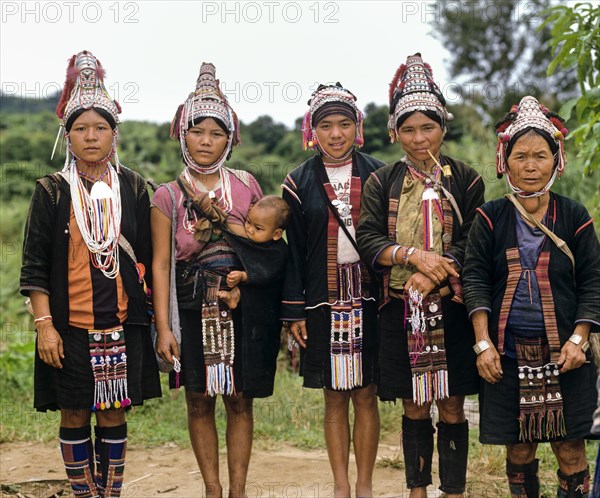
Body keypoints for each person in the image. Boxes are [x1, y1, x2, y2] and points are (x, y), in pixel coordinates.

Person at [19, 50, 161, 498]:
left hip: (121, 323)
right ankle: (84, 493)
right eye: (81, 128)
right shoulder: (51, 191)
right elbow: (35, 266)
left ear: (114, 135)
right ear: (69, 136)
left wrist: (162, 327)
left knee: (114, 412)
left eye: (101, 127)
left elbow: (154, 259)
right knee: (75, 411)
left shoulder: (136, 187)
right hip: (69, 326)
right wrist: (45, 326)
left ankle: (111, 492)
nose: (91, 135)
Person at [151, 63, 285, 498]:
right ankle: (212, 489)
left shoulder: (246, 185)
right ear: (181, 134)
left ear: (230, 138)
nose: (206, 141)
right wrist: (165, 328)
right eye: (197, 131)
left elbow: (266, 244)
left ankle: (238, 491)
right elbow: (160, 265)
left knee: (240, 398)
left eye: (216, 133)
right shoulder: (167, 196)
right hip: (191, 307)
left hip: (241, 306)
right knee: (199, 399)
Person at [356, 53, 484, 498]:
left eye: (427, 128)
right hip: (399, 307)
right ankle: (416, 488)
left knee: (450, 402)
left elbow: (473, 240)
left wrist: (435, 272)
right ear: (394, 133)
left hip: (450, 305)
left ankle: (453, 490)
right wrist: (411, 255)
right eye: (407, 129)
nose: (418, 138)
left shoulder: (466, 179)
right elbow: (367, 238)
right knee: (413, 402)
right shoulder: (382, 182)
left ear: (443, 129)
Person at [462, 95, 599, 498]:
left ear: (557, 160)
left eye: (541, 155)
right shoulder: (490, 217)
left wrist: (578, 340)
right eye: (520, 155)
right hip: (505, 354)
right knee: (518, 447)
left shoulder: (574, 216)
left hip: (566, 355)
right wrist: (483, 344)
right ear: (505, 162)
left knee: (570, 446)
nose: (530, 165)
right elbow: (475, 280)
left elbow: (593, 280)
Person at [282, 83, 384, 498]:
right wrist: (295, 312)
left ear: (357, 128)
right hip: (322, 298)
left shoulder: (379, 173)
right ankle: (340, 486)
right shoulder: (297, 182)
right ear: (313, 131)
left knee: (366, 393)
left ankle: (364, 485)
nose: (336, 134)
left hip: (371, 297)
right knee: (334, 396)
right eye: (326, 125)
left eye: (344, 124)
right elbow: (290, 252)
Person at [218, 195, 289, 309]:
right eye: (248, 222)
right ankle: (234, 295)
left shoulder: (278, 251)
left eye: (258, 228)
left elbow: (268, 272)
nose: (249, 230)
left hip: (268, 302)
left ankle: (235, 296)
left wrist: (244, 276)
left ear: (276, 234)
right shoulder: (252, 241)